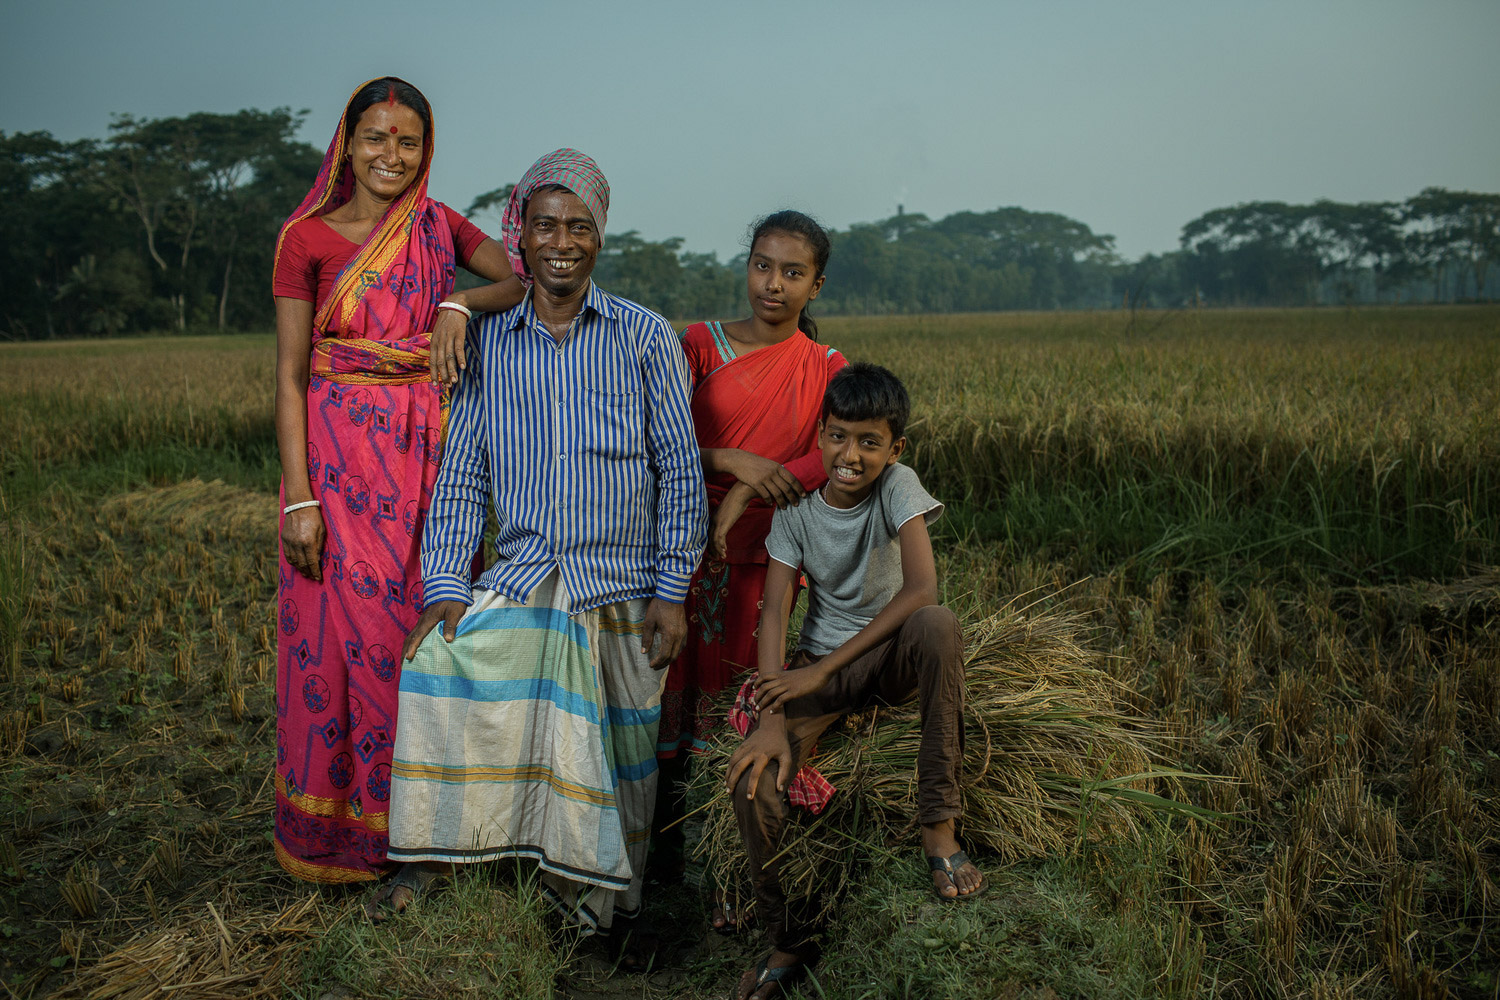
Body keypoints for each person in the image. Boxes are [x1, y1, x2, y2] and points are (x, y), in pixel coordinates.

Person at [380, 149, 708, 949]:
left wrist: (672, 592)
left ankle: (607, 915)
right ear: (518, 237)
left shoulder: (643, 338)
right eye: (546, 225)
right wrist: (447, 585)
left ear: (601, 237)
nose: (562, 241)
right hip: (527, 579)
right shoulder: (489, 343)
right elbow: (460, 478)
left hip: (624, 584)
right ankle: (446, 864)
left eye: (580, 226)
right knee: (436, 667)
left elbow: (680, 472)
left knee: (624, 756)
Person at [272, 76, 525, 884]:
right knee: (343, 650)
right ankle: (350, 836)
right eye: (376, 137)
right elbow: (286, 378)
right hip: (335, 466)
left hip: (424, 461)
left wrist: (459, 304)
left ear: (426, 150)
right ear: (347, 142)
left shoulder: (439, 226)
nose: (392, 155)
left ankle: (435, 827)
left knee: (426, 627)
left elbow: (519, 281)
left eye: (408, 141)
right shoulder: (304, 239)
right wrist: (301, 499)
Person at [724, 363, 983, 999]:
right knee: (753, 781)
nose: (851, 454)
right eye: (839, 436)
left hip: (888, 657)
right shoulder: (795, 516)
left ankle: (937, 824)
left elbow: (922, 588)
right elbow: (776, 612)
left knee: (939, 625)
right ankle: (789, 936)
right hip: (818, 667)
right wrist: (773, 714)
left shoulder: (898, 485)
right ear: (821, 436)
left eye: (870, 442)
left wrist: (824, 667)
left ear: (895, 449)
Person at [655, 210, 846, 926]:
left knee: (731, 705)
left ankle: (723, 875)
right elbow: (658, 433)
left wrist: (750, 488)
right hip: (678, 549)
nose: (773, 283)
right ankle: (650, 867)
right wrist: (728, 463)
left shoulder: (828, 370)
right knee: (662, 696)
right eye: (762, 265)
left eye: (792, 272)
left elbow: (836, 454)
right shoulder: (698, 344)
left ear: (816, 285)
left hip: (766, 560)